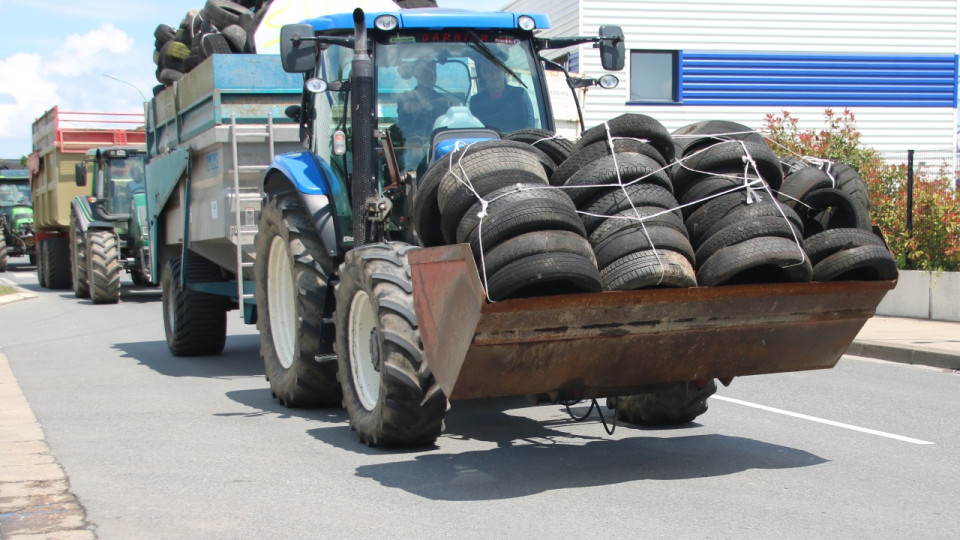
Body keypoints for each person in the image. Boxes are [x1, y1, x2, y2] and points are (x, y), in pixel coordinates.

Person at [468, 57, 535, 134]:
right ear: (483, 75)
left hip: (517, 143)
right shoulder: (476, 101)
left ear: (504, 73)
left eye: (497, 70)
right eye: (489, 71)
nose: (494, 75)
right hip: (487, 144)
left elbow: (530, 124)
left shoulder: (520, 95)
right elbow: (474, 130)